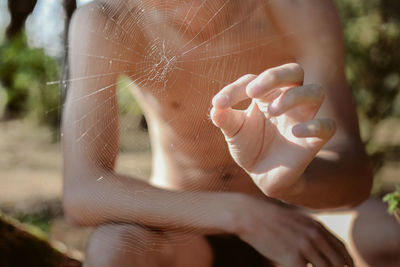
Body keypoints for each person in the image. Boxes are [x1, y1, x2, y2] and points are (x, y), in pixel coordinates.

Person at [62, 0, 383, 266]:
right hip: (184, 231)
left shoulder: (297, 8)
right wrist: (242, 214)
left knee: (386, 232)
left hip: (295, 219)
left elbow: (355, 176)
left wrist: (294, 182)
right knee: (113, 249)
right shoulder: (107, 19)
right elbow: (82, 191)